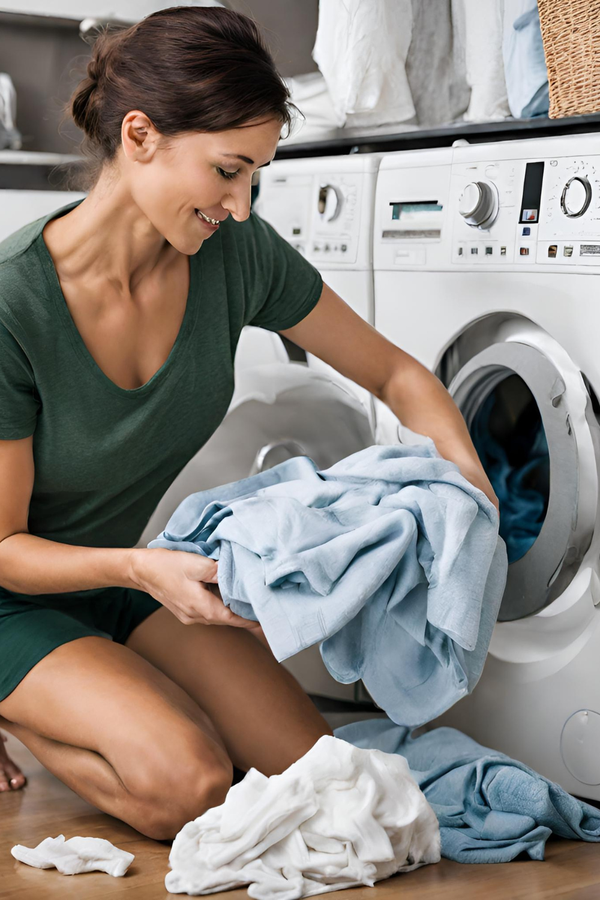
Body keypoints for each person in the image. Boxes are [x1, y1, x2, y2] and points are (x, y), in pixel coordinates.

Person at [0, 6, 497, 838]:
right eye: (229, 171)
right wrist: (137, 570)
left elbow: (398, 373)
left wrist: (470, 492)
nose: (239, 205)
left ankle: (101, 689)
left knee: (317, 773)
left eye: (256, 178)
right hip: (19, 593)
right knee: (190, 783)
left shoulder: (237, 256)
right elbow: (5, 548)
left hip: (124, 579)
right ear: (139, 135)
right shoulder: (16, 303)